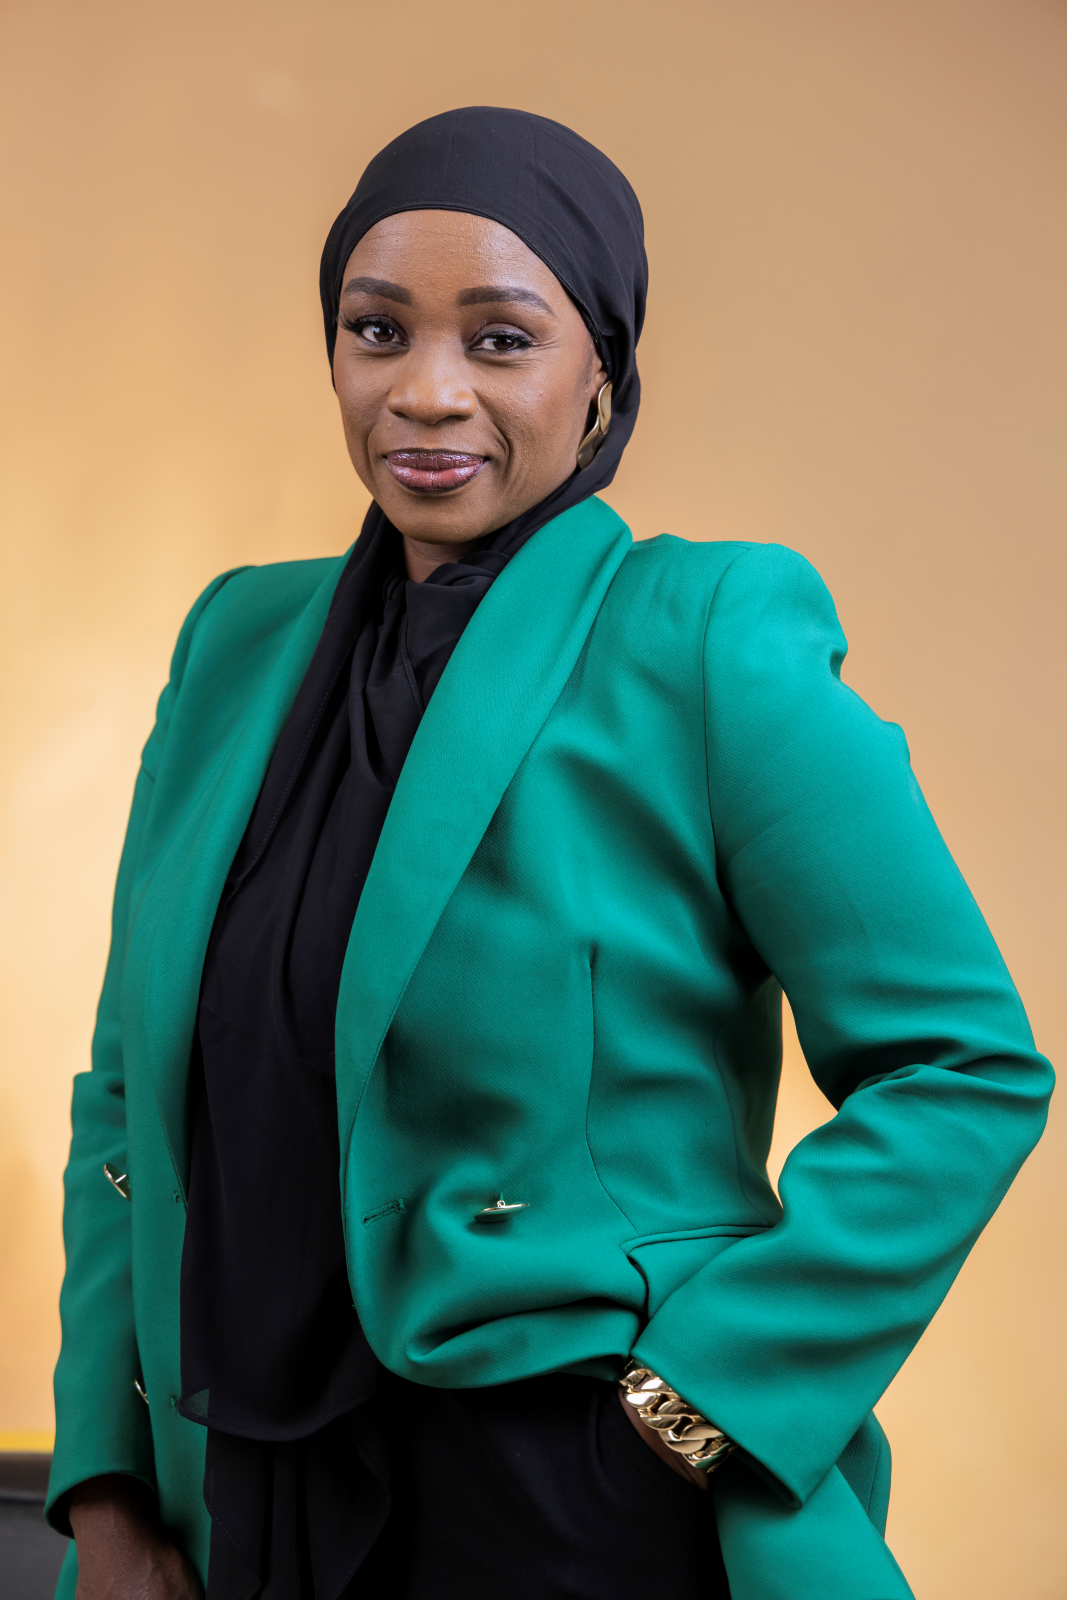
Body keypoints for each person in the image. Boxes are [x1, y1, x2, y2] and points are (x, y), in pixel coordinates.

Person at [45, 107, 1052, 1600]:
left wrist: (688, 1410)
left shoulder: (702, 636)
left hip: (566, 1502)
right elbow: (130, 1092)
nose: (425, 390)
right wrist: (109, 1487)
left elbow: (961, 1066)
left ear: (601, 376)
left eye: (500, 339)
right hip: (238, 1492)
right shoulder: (234, 643)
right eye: (376, 330)